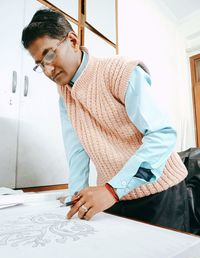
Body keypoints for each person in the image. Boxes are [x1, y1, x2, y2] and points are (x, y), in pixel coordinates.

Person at [21, 9, 191, 233]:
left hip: (161, 192)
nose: (48, 70)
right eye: (40, 64)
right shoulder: (64, 95)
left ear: (72, 40)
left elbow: (162, 134)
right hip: (115, 197)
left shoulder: (120, 71)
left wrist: (112, 190)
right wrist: (76, 196)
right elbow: (77, 150)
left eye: (49, 55)